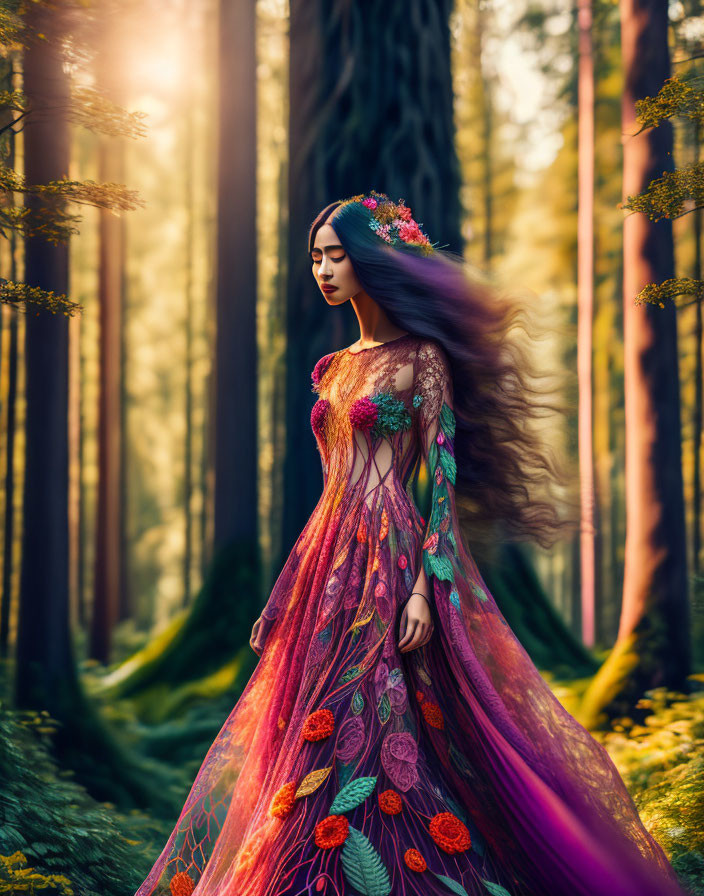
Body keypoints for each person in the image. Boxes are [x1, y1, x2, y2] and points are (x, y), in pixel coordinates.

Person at [135, 192, 687, 896]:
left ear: (370, 258)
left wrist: (428, 585)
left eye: (337, 254)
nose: (325, 269)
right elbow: (330, 490)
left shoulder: (423, 358)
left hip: (392, 556)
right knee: (312, 711)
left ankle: (396, 862)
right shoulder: (331, 368)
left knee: (385, 706)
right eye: (316, 257)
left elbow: (442, 483)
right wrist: (284, 593)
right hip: (327, 560)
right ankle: (306, 866)